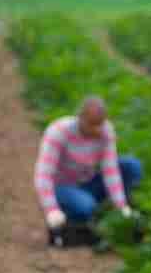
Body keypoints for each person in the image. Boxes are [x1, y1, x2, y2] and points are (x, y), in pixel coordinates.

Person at [34, 96, 140, 242]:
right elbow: (44, 175)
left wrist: (121, 205)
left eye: (99, 124)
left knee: (131, 165)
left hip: (88, 181)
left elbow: (110, 171)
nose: (97, 129)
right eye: (92, 124)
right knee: (85, 206)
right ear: (80, 117)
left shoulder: (105, 131)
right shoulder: (58, 132)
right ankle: (65, 220)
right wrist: (51, 209)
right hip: (62, 186)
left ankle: (119, 213)